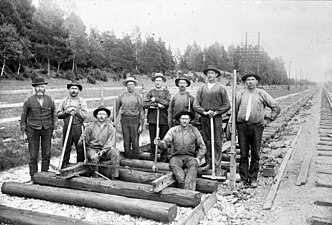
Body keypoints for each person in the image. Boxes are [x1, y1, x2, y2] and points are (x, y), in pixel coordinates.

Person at [236, 71, 281, 188]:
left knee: (255, 153)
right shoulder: (240, 93)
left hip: (256, 127)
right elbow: (235, 110)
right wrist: (232, 125)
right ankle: (243, 178)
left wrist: (268, 119)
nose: (250, 82)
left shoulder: (262, 93)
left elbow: (276, 107)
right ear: (245, 82)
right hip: (242, 127)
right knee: (243, 153)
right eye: (248, 80)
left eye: (252, 80)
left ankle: (253, 178)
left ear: (256, 81)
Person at [193, 65, 231, 174]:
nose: (210, 75)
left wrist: (216, 112)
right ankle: (209, 163)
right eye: (208, 73)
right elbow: (196, 104)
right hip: (205, 117)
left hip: (216, 118)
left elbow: (227, 105)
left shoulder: (221, 88)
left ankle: (217, 165)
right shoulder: (201, 88)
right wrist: (204, 112)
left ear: (216, 75)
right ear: (206, 75)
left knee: (217, 141)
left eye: (212, 73)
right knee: (206, 140)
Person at [156, 111, 206, 190]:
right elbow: (165, 143)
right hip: (177, 157)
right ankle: (184, 186)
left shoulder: (194, 130)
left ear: (189, 120)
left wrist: (198, 157)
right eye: (182, 119)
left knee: (193, 165)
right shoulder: (173, 130)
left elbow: (202, 146)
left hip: (190, 157)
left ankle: (188, 188)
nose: (184, 121)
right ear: (179, 120)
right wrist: (160, 143)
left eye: (186, 119)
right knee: (173, 164)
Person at [20, 76, 57, 182]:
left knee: (46, 153)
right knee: (33, 154)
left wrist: (54, 129)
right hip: (32, 129)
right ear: (34, 88)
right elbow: (23, 116)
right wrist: (24, 132)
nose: (40, 89)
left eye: (42, 86)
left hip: (47, 128)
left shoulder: (50, 100)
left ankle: (44, 176)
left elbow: (54, 114)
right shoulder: (28, 100)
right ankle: (34, 176)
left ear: (45, 87)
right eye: (38, 87)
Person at [82, 105, 120, 179]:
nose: (101, 116)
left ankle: (115, 176)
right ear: (96, 116)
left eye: (103, 114)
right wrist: (83, 140)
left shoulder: (110, 127)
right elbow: (86, 142)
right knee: (94, 158)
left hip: (105, 150)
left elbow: (110, 142)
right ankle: (95, 177)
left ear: (106, 116)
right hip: (93, 149)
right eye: (99, 114)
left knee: (116, 152)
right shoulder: (90, 126)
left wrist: (103, 151)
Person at [57, 81, 87, 167]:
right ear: (69, 90)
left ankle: (80, 166)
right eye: (72, 88)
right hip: (67, 126)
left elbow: (84, 116)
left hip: (78, 127)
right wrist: (66, 112)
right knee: (66, 146)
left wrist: (76, 111)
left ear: (78, 90)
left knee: (80, 146)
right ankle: (64, 165)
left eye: (76, 88)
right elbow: (58, 115)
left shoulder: (82, 101)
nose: (74, 90)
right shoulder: (64, 101)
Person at [143, 73, 171, 162]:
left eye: (160, 80)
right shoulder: (150, 92)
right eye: (156, 81)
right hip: (153, 118)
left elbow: (168, 103)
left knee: (163, 140)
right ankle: (152, 158)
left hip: (163, 118)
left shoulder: (166, 92)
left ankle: (163, 158)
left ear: (162, 81)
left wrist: (157, 100)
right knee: (152, 139)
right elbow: (145, 104)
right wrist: (155, 105)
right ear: (154, 82)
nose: (158, 82)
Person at [116, 77, 144, 159]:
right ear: (126, 86)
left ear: (134, 86)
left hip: (135, 119)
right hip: (124, 119)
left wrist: (141, 124)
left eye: (132, 85)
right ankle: (127, 158)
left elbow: (141, 111)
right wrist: (114, 120)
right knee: (126, 140)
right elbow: (117, 109)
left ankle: (135, 158)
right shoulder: (121, 96)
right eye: (128, 85)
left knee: (135, 141)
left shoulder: (138, 97)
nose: (130, 86)